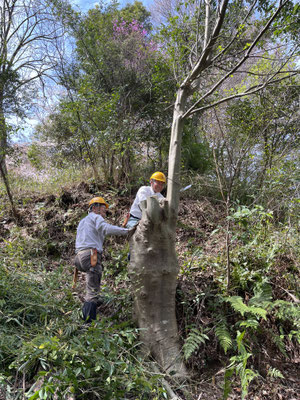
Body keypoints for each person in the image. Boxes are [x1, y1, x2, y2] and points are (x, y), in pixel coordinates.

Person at [74, 196, 129, 322]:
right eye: (103, 208)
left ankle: (93, 307)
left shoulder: (83, 221)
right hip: (91, 256)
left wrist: (122, 226)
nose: (105, 212)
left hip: (79, 258)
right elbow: (106, 228)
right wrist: (127, 231)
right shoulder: (96, 217)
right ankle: (88, 326)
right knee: (92, 293)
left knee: (92, 289)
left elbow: (102, 232)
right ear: (95, 208)